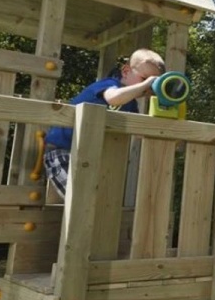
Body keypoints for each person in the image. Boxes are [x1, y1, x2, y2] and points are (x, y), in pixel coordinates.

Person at [43, 48, 165, 196]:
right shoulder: (109, 85)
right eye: (144, 78)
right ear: (126, 71)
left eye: (153, 83)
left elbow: (139, 131)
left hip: (89, 157)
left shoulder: (131, 104)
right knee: (79, 198)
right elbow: (113, 98)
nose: (148, 86)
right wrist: (147, 84)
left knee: (97, 201)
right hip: (62, 151)